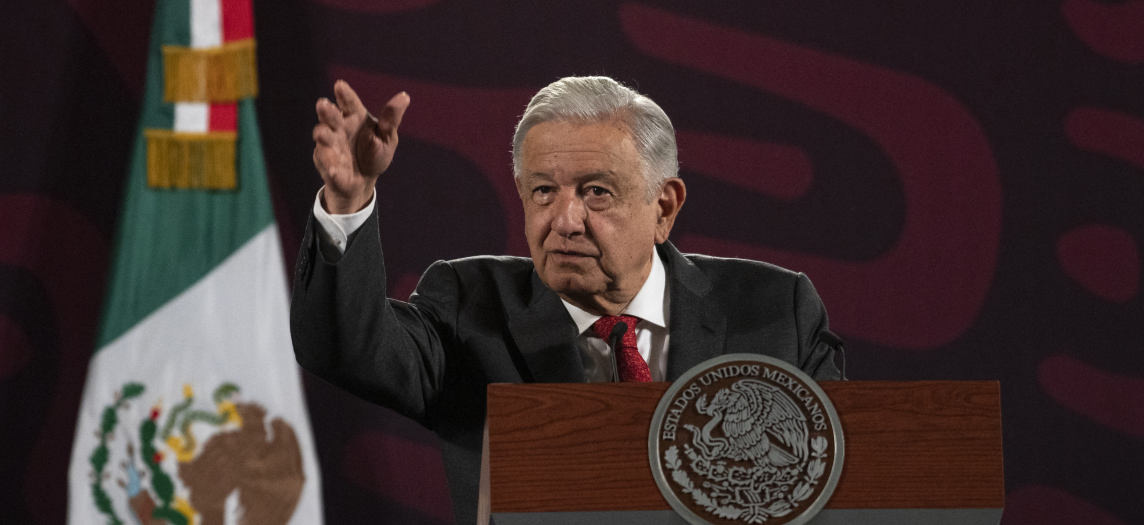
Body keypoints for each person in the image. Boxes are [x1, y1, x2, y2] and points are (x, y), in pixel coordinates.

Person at [290, 76, 843, 525]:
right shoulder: (471, 307)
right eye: (543, 191)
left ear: (664, 207)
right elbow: (344, 348)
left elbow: (847, 484)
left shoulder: (775, 311)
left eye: (596, 192)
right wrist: (349, 201)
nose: (564, 220)